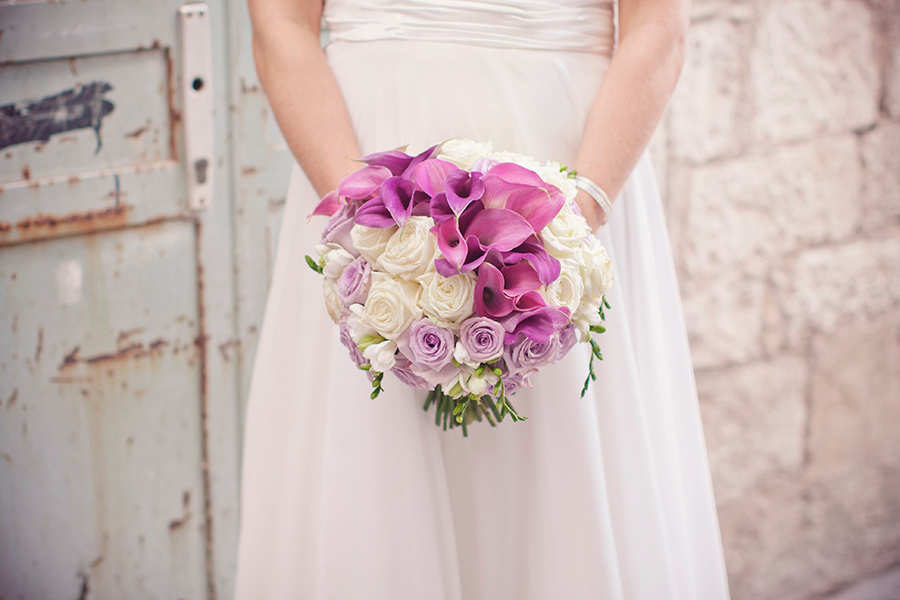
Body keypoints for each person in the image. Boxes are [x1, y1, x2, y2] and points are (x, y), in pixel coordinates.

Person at [234, 0, 732, 598]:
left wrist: (572, 222)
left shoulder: (574, 209)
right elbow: (281, 23)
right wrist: (366, 223)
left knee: (567, 464)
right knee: (372, 458)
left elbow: (657, 28)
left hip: (572, 160)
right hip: (361, 155)